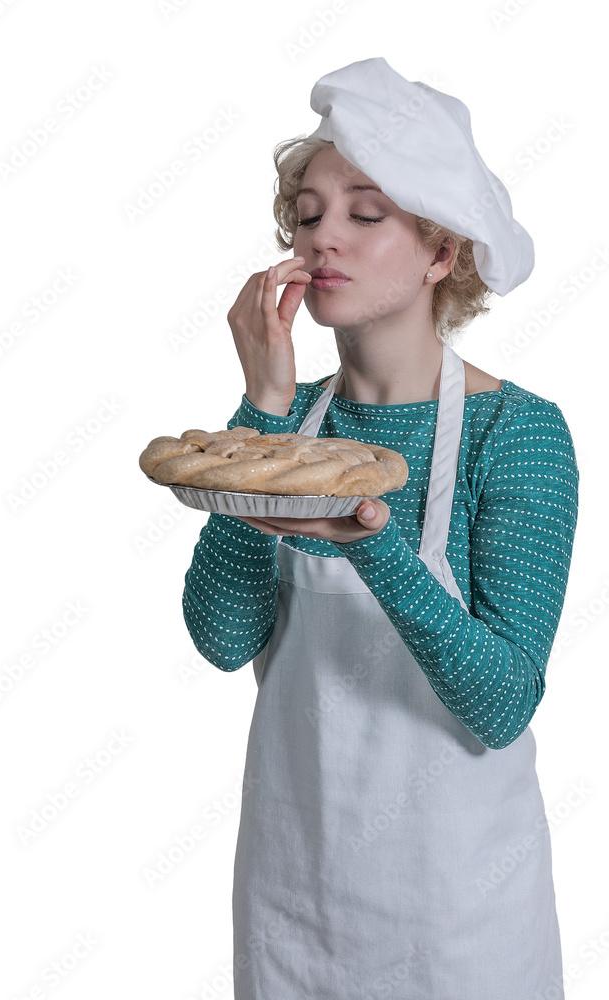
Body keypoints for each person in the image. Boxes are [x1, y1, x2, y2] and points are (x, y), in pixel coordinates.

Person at [181, 57, 579, 999]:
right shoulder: (284, 426)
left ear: (442, 253)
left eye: (366, 215)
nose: (324, 236)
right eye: (307, 213)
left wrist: (372, 540)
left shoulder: (515, 433)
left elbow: (502, 703)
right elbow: (221, 637)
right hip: (295, 898)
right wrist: (263, 411)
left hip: (457, 918)